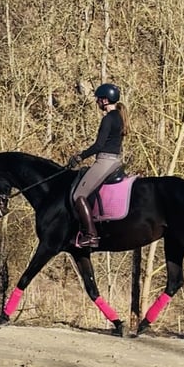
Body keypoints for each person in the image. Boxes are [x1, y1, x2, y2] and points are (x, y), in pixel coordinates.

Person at [67, 83, 129, 247]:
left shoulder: (108, 119)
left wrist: (81, 156)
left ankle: (91, 235)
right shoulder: (119, 117)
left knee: (78, 196)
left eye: (98, 99)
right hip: (115, 160)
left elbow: (99, 145)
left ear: (105, 100)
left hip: (105, 160)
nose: (97, 102)